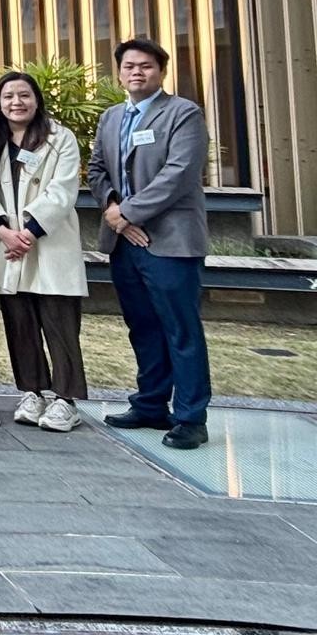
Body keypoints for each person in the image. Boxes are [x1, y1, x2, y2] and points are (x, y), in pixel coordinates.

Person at [86, 38, 212, 450]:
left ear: (161, 71)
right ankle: (151, 403)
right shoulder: (111, 117)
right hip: (124, 242)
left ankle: (191, 417)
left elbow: (179, 173)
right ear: (119, 73)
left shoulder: (183, 113)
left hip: (171, 241)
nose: (136, 72)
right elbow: (97, 169)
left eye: (146, 66)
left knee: (181, 329)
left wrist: (128, 213)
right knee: (142, 326)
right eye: (129, 66)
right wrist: (114, 211)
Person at [0, 71, 88, 433]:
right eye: (8, 96)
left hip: (48, 243)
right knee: (20, 323)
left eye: (24, 95)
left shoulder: (60, 138)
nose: (16, 102)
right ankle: (32, 392)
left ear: (37, 99)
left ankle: (66, 400)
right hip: (7, 244)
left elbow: (63, 190)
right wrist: (2, 230)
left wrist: (28, 232)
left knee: (59, 324)